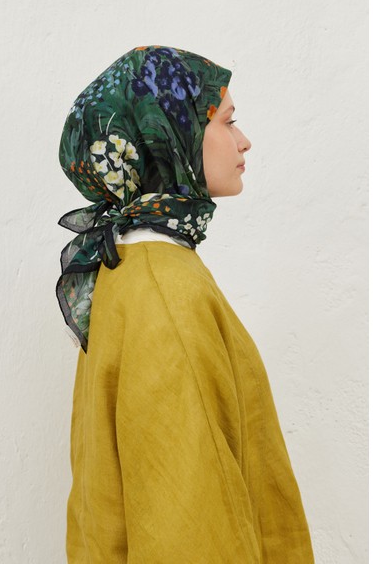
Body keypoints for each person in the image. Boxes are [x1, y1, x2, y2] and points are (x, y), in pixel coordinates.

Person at [56, 45, 315, 563]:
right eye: (227, 121)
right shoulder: (165, 290)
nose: (243, 140)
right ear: (169, 134)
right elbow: (187, 525)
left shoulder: (127, 266)